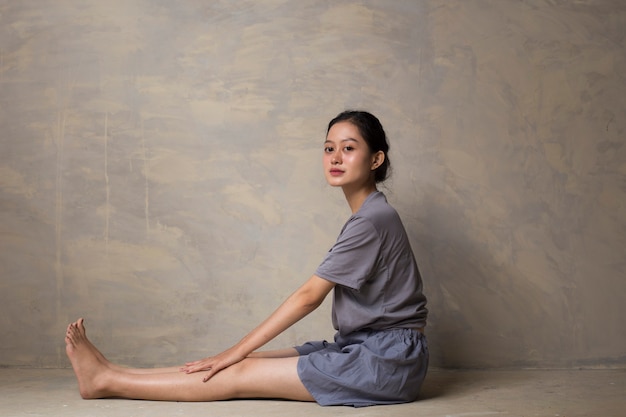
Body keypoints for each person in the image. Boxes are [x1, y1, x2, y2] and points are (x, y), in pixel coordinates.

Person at [65, 110, 429, 407]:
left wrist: (236, 349)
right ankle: (113, 372)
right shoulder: (371, 214)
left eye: (349, 148)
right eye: (328, 148)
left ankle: (106, 381)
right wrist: (238, 352)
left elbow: (308, 297)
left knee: (238, 367)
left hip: (387, 361)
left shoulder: (372, 220)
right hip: (368, 348)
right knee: (245, 360)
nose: (335, 158)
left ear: (376, 158)